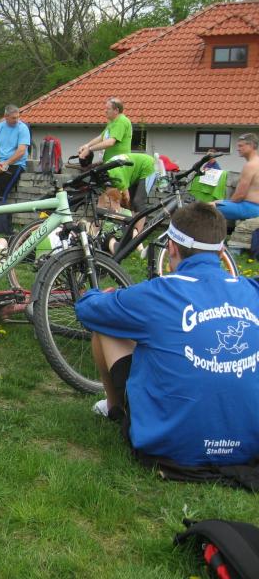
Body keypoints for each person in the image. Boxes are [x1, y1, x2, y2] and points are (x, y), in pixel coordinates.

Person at [76, 203, 259, 477]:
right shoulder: (252, 291)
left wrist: (96, 296)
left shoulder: (158, 293)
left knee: (107, 327)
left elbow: (88, 311)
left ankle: (114, 408)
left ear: (171, 248)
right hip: (248, 448)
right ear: (222, 252)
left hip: (170, 448)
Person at [214, 133, 259, 220]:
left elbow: (239, 195)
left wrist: (224, 203)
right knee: (217, 202)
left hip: (250, 208)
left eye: (241, 146)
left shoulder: (250, 165)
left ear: (251, 146)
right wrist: (222, 202)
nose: (238, 149)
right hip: (253, 206)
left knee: (206, 208)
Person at [78, 97, 132, 163]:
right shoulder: (112, 121)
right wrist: (87, 145)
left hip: (119, 163)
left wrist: (89, 149)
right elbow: (101, 137)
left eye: (108, 109)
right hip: (113, 162)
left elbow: (110, 142)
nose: (105, 111)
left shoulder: (121, 121)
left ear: (116, 110)